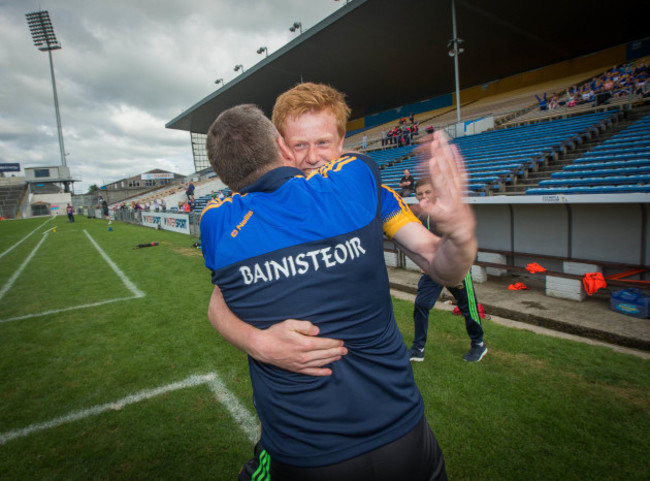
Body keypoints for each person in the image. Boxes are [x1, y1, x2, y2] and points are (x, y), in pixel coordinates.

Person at [202, 104, 476, 480]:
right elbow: (219, 301)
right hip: (370, 431)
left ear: (342, 142)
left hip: (364, 431)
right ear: (281, 146)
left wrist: (460, 232)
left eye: (324, 143)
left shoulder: (369, 194)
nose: (313, 157)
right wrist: (258, 342)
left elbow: (435, 259)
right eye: (300, 145)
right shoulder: (355, 179)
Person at [408, 178, 487, 363]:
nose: (424, 197)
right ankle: (418, 348)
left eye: (427, 192)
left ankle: (478, 344)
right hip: (433, 271)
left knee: (468, 307)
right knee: (421, 305)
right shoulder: (419, 216)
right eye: (420, 194)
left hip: (455, 268)